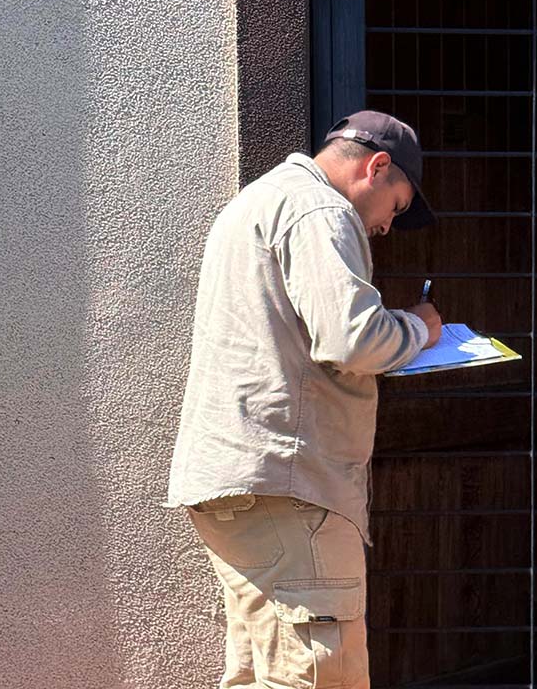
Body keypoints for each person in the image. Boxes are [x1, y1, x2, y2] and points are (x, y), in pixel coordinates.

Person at [166, 111, 443, 689]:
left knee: (260, 673)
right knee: (320, 676)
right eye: (395, 207)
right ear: (377, 167)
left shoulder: (258, 199)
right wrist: (421, 328)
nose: (386, 228)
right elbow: (353, 339)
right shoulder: (321, 210)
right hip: (292, 487)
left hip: (240, 482)